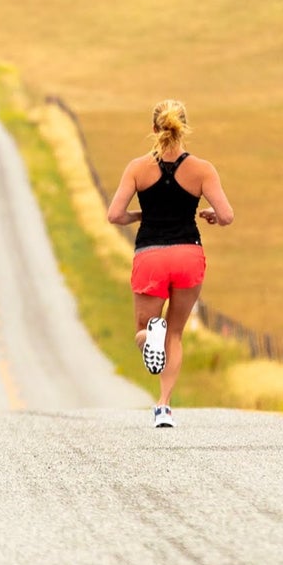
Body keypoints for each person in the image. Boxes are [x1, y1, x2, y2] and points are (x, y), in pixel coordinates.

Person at [107, 99, 234, 428]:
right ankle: (163, 407)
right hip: (188, 255)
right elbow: (227, 215)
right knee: (175, 334)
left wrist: (141, 214)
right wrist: (209, 215)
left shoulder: (137, 168)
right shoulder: (203, 170)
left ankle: (148, 338)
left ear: (154, 128)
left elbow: (114, 215)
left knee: (144, 329)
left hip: (151, 255)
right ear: (185, 128)